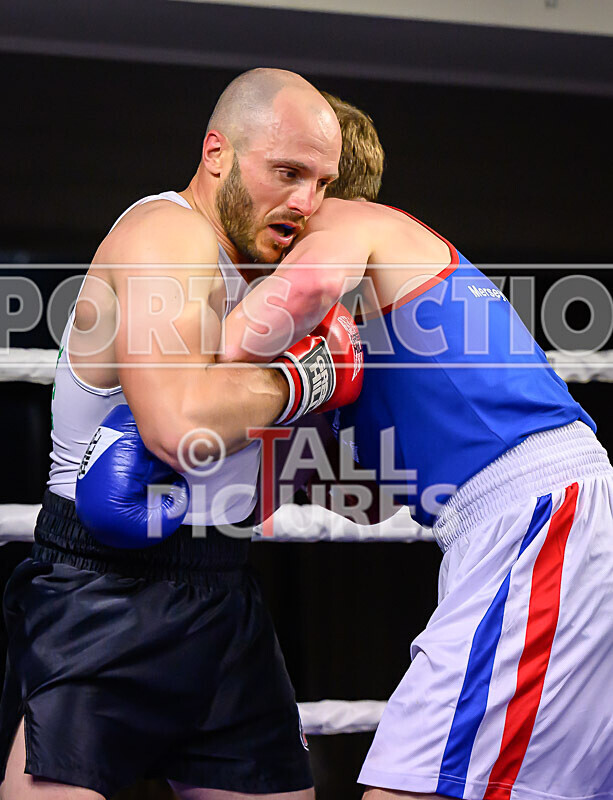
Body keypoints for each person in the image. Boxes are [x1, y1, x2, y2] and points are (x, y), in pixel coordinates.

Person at [218, 94, 613, 800]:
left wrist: (195, 356)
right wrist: (296, 406)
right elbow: (368, 504)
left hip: (534, 515)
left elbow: (297, 286)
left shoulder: (353, 222)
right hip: (513, 526)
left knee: (409, 785)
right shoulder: (350, 329)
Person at [0, 67, 351, 800]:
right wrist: (306, 380)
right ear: (216, 153)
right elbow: (178, 427)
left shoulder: (266, 281)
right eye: (286, 172)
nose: (304, 202)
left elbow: (264, 484)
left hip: (222, 586)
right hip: (104, 587)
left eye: (321, 183)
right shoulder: (166, 234)